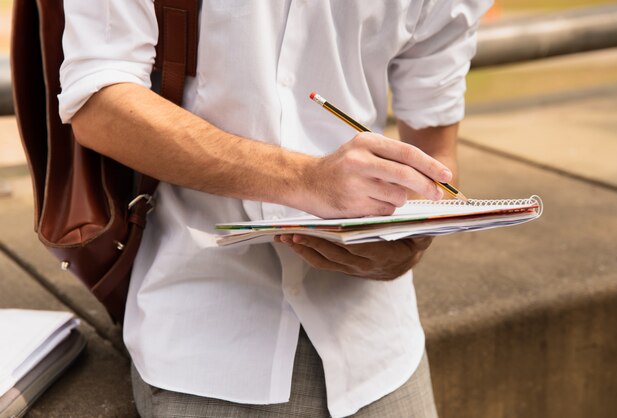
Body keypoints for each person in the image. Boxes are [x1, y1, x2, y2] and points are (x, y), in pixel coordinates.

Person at [59, 1, 491, 416]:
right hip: (205, 341)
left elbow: (435, 153)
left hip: (380, 345)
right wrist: (305, 180)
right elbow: (99, 101)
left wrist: (413, 235)